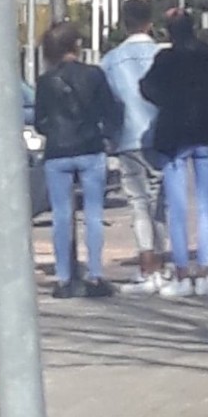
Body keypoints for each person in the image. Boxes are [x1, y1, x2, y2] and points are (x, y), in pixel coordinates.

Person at [140, 9, 208, 298]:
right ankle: (203, 273)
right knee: (205, 206)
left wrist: (169, 102)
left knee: (176, 207)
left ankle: (181, 273)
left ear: (169, 32)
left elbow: (146, 87)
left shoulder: (165, 59)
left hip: (174, 133)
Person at [35, 21, 122, 299]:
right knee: (94, 214)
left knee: (61, 216)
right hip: (89, 148)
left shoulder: (45, 81)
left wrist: (56, 132)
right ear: (76, 46)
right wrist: (107, 136)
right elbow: (111, 111)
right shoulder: (94, 75)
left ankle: (63, 279)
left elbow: (40, 122)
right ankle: (95, 276)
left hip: (57, 152)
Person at [101, 0, 166, 293]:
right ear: (150, 23)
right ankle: (162, 267)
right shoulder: (162, 55)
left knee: (138, 203)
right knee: (159, 202)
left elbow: (107, 102)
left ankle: (145, 265)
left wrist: (112, 134)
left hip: (128, 137)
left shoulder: (111, 61)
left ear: (124, 23)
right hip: (161, 135)